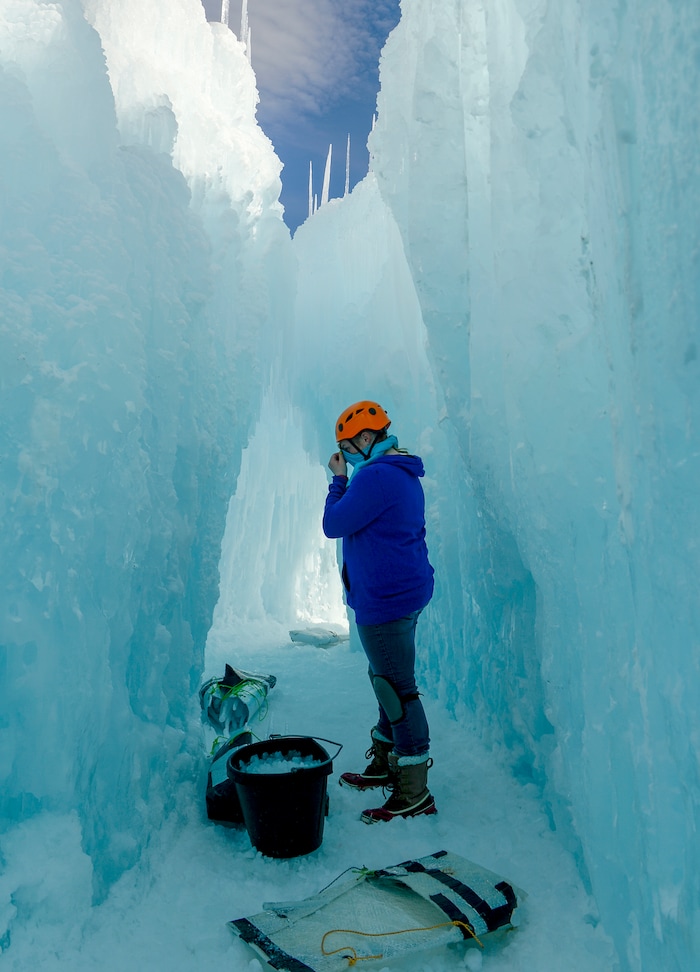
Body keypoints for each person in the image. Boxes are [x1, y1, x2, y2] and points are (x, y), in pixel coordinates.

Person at [323, 400, 436, 823]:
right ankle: (387, 764)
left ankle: (413, 789)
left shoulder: (376, 478)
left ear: (368, 438)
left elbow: (334, 523)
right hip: (402, 594)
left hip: (385, 602)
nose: (347, 456)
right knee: (386, 678)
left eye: (349, 447)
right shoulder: (400, 472)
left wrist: (337, 481)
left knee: (396, 688)